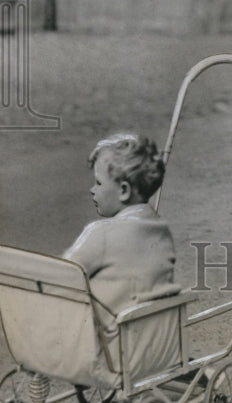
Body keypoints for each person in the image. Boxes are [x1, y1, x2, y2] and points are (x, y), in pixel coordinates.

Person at [63, 132, 177, 318]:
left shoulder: (101, 233)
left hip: (107, 341)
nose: (92, 190)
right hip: (155, 338)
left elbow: (62, 274)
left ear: (124, 190)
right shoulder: (162, 231)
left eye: (98, 183)